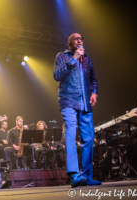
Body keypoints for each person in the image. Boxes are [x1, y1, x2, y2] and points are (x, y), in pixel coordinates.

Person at [53, 33, 101, 187]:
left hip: (85, 103)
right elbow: (57, 75)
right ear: (69, 42)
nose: (79, 40)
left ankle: (86, 176)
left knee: (88, 138)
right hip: (68, 101)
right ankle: (74, 175)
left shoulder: (87, 59)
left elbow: (93, 79)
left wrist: (94, 92)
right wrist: (73, 58)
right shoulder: (62, 56)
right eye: (75, 38)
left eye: (81, 39)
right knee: (71, 134)